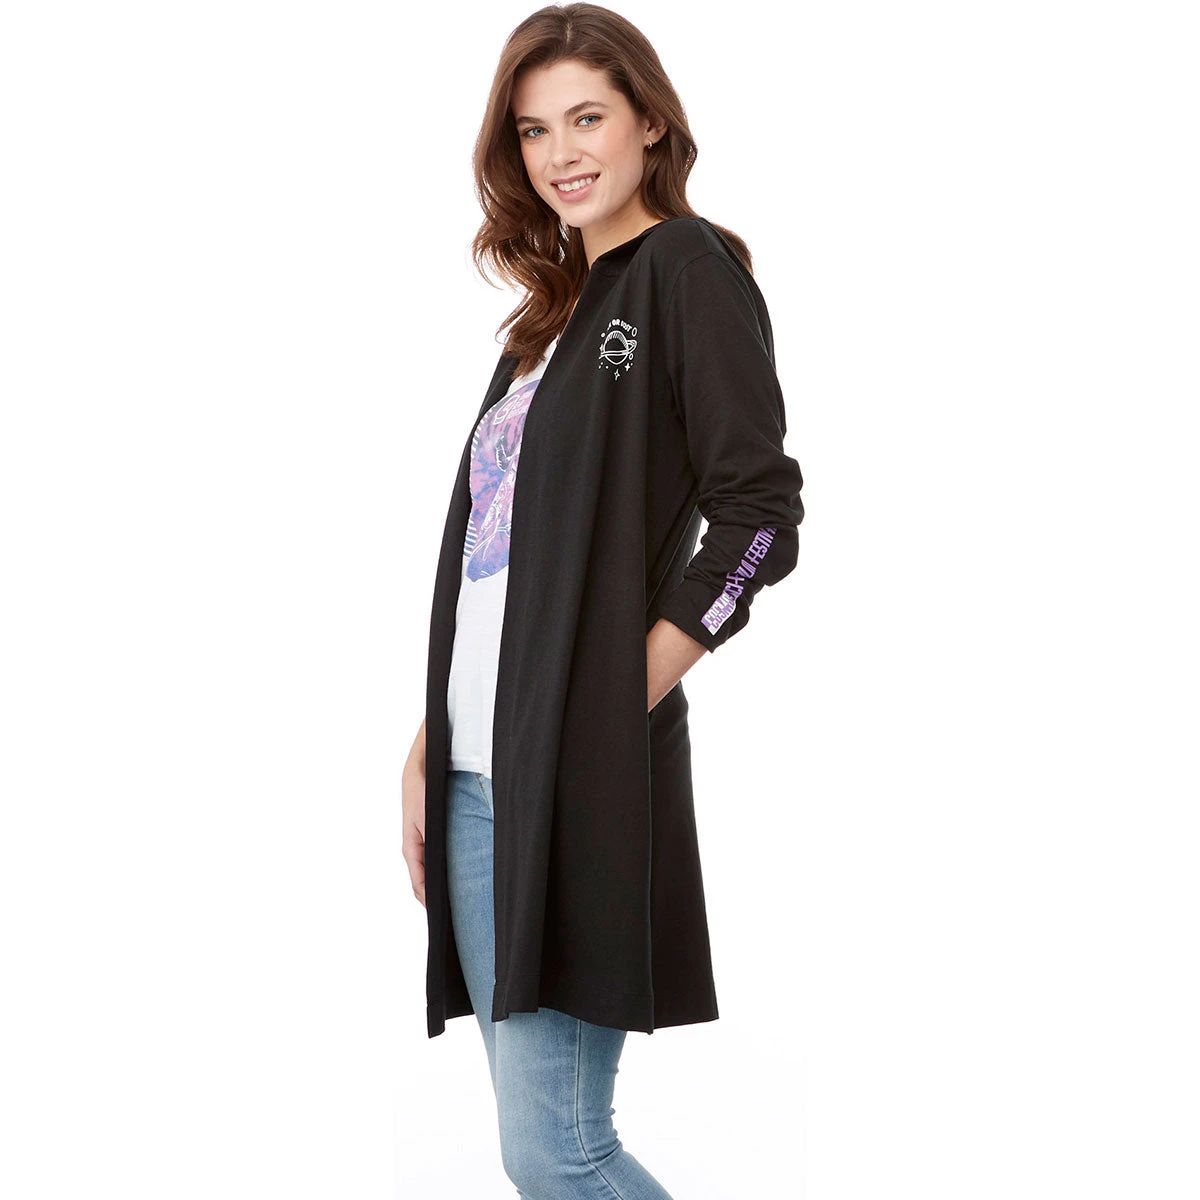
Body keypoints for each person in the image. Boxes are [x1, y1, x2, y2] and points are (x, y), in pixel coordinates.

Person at [401, 5, 805, 1196]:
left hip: (575, 774)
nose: (561, 153)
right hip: (477, 776)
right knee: (541, 1145)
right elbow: (499, 563)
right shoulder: (546, 318)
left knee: (559, 1151)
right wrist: (433, 739)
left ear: (649, 123)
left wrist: (616, 692)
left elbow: (759, 515)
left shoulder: (687, 269)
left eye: (587, 118)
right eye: (534, 130)